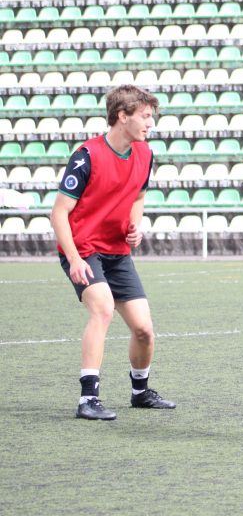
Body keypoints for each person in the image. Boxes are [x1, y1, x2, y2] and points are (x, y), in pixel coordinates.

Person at [50, 85, 176, 421]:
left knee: (144, 330)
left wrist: (135, 227)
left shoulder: (145, 154)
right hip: (83, 249)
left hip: (117, 252)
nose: (151, 123)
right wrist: (74, 259)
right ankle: (88, 398)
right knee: (103, 309)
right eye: (145, 116)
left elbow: (138, 196)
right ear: (122, 116)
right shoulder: (87, 156)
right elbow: (59, 212)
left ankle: (140, 392)